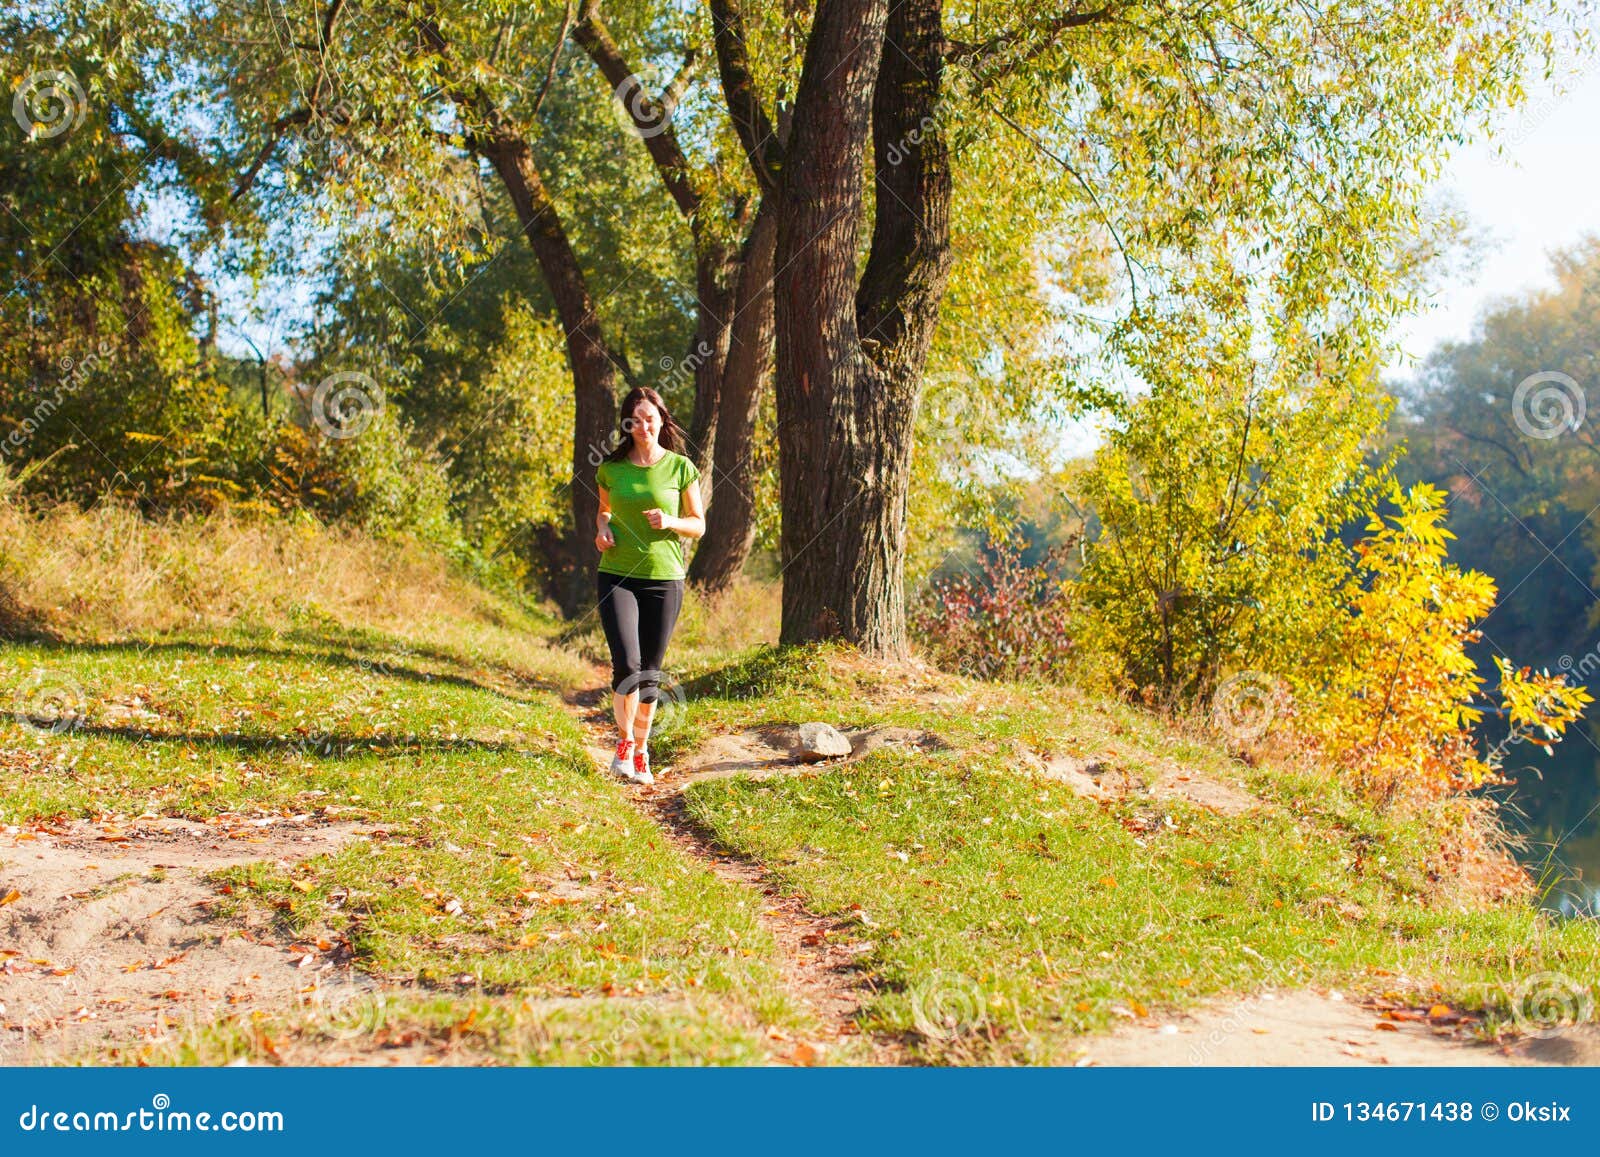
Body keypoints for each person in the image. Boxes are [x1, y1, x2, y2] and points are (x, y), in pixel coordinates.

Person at [593, 386, 705, 785]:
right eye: (636, 420)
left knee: (650, 675)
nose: (643, 426)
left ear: (662, 420)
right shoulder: (611, 468)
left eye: (650, 418)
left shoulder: (680, 467)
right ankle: (623, 745)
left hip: (664, 578)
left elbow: (698, 524)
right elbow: (603, 512)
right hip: (617, 574)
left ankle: (642, 750)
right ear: (628, 424)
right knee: (626, 663)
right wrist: (602, 530)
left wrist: (671, 522)